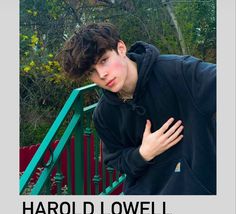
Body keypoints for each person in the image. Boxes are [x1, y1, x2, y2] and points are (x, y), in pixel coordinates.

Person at [58, 22, 216, 195]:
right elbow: (115, 159)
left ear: (121, 48)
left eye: (104, 61)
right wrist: (143, 153)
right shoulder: (104, 114)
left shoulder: (178, 72)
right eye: (91, 72)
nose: (102, 75)